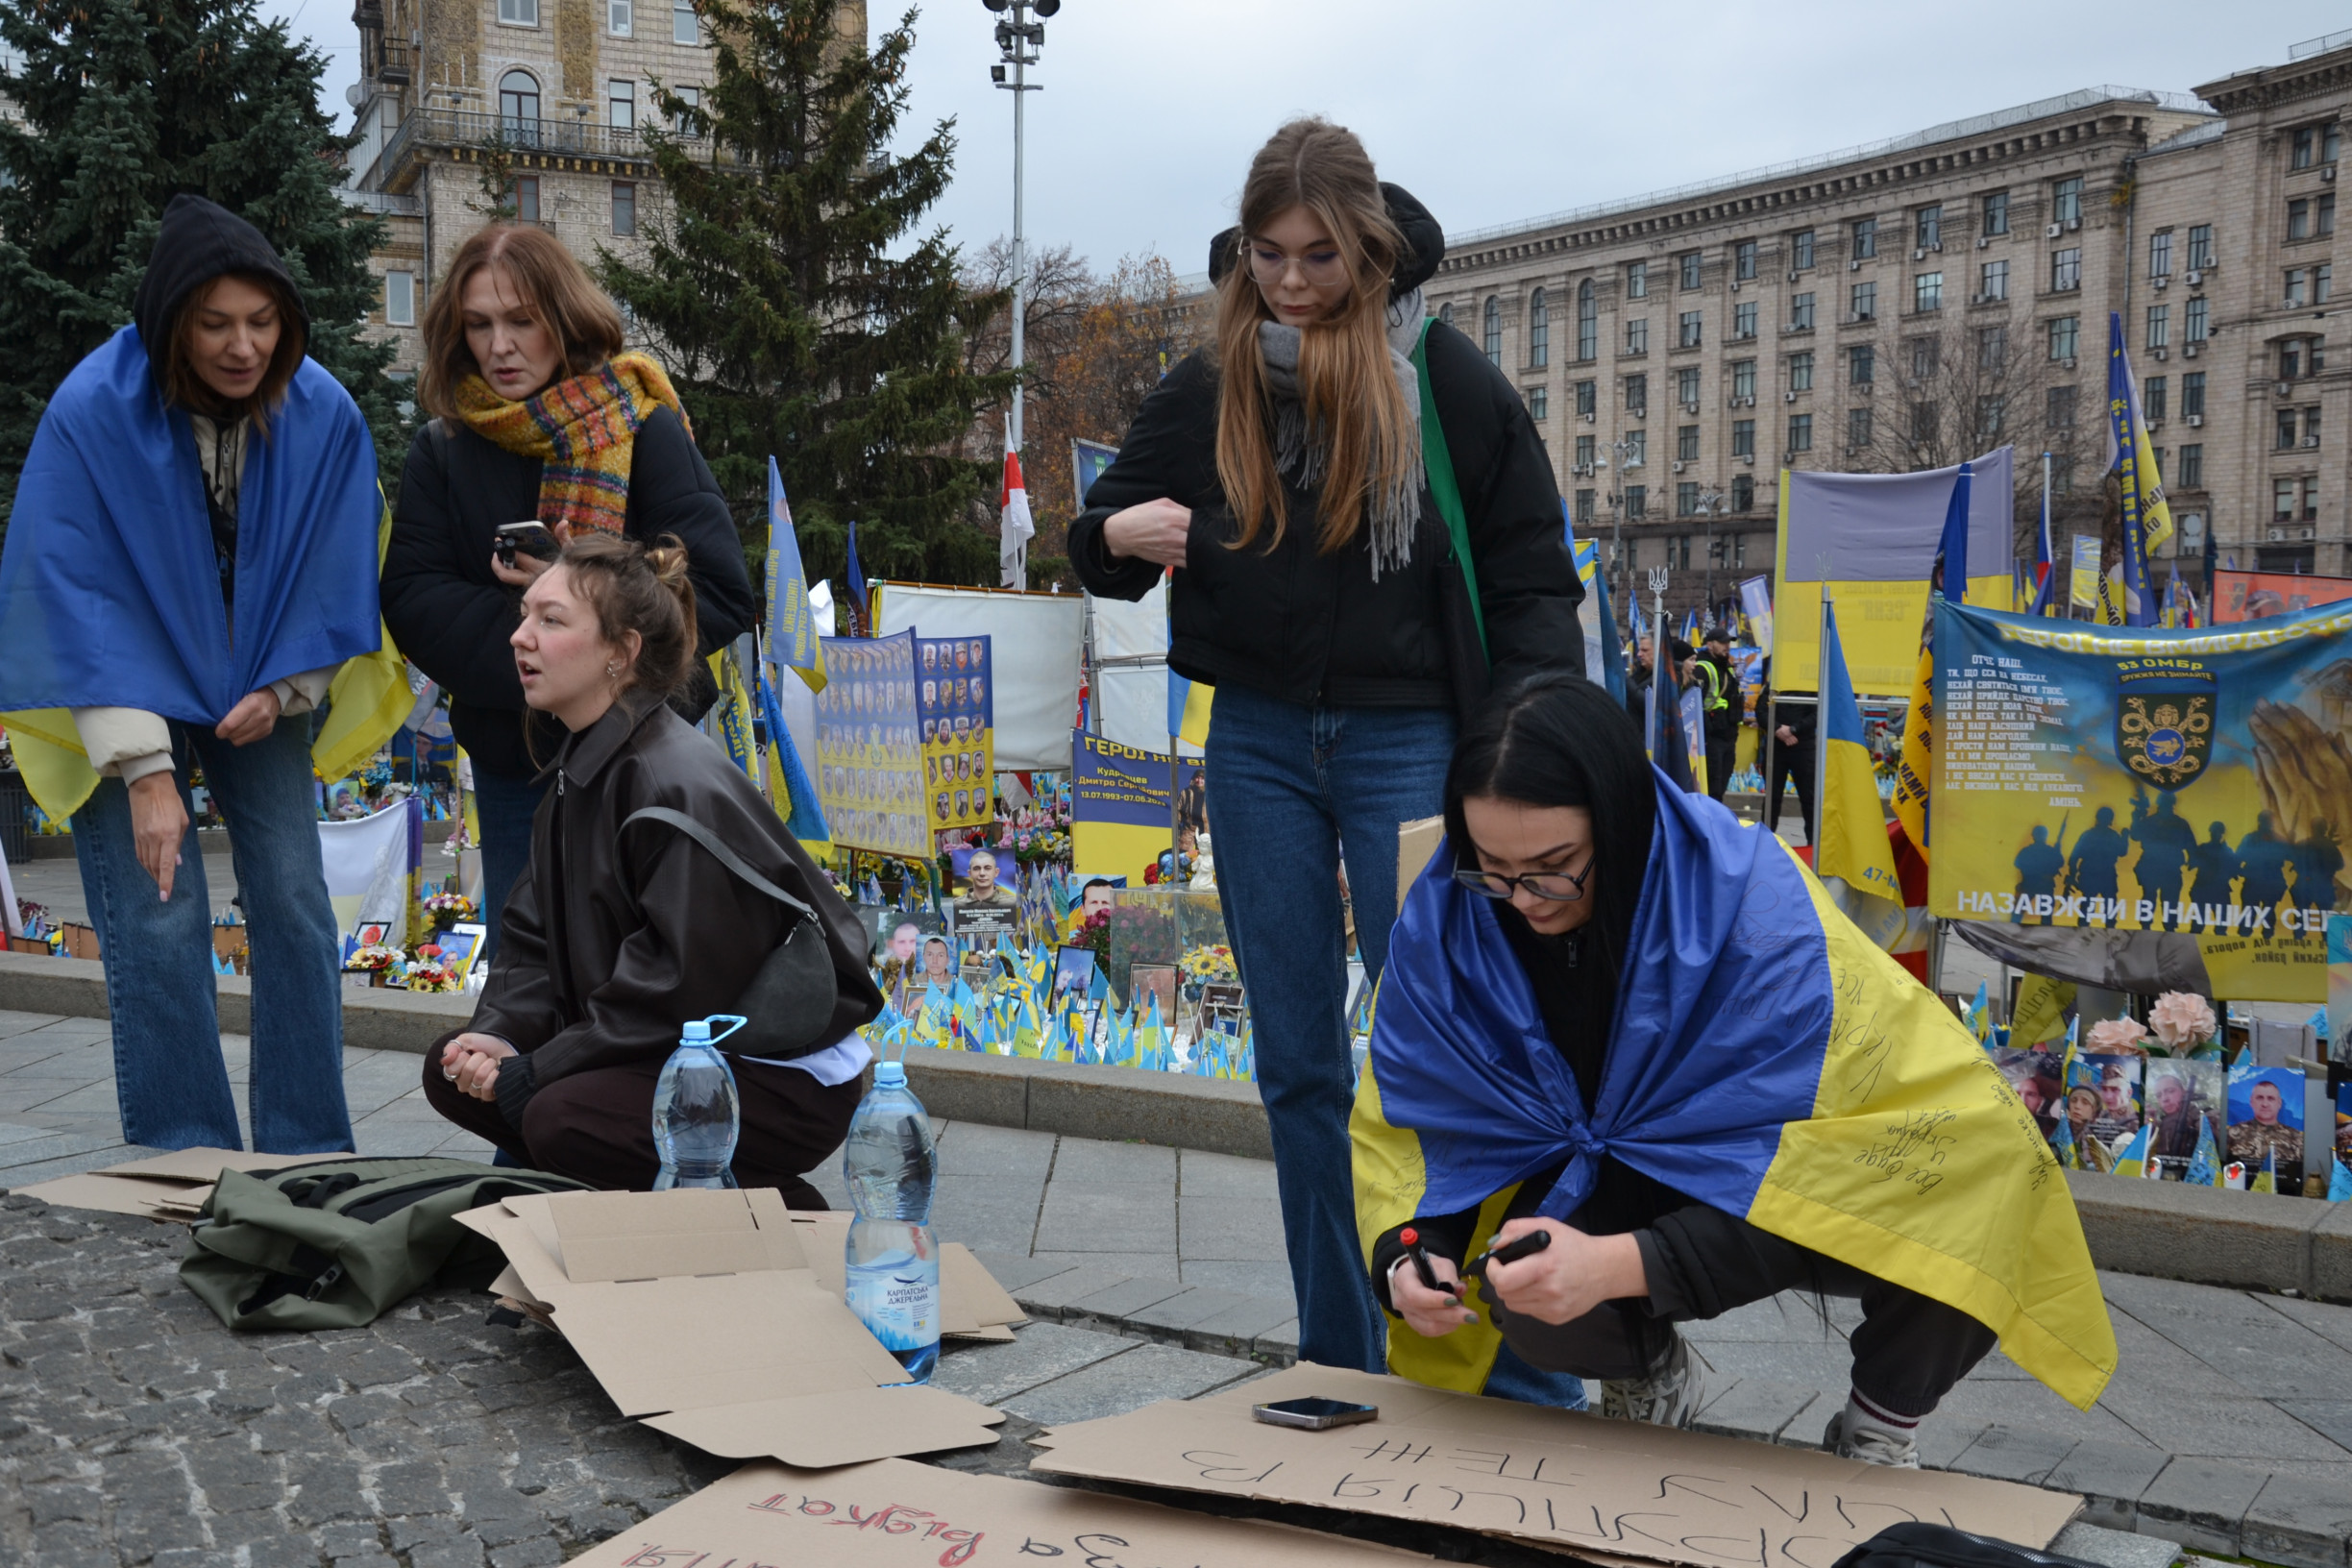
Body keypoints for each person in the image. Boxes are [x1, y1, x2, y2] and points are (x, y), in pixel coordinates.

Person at [1069, 119, 1586, 1373]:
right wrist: (1118, 534)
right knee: (1299, 1065)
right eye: (1267, 256)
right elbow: (1095, 542)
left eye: (1318, 257)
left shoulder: (1446, 382)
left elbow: (1531, 578)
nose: (1291, 283)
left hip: (1408, 744)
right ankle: (1342, 1356)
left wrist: (1531, 743)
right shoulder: (1212, 384)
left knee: (1452, 1050)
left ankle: (1509, 1356)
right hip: (1251, 743)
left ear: (1370, 250)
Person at [1354, 674, 2113, 1462]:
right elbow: (1430, 1122)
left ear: (1620, 824)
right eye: (1493, 868)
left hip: (1772, 1189)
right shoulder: (1452, 912)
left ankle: (1882, 1420)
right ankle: (1646, 1371)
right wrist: (1412, 1251)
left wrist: (1618, 1264)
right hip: (1596, 1191)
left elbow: (1875, 1139)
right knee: (1526, 1281)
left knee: (1988, 1169)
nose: (1524, 902)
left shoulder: (1751, 899)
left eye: (1554, 865)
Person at [0, 195, 392, 1153]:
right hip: (122, 698)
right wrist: (147, 772)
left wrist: (289, 690)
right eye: (215, 323)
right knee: (157, 911)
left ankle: (307, 1152)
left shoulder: (323, 413)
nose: (242, 347)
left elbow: (337, 561)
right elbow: (75, 590)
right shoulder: (94, 412)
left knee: (296, 905)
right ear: (172, 322)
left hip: (266, 687)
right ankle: (184, 1155)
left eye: (262, 322)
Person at [424, 535, 882, 1198]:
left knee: (557, 1117)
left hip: (781, 1075)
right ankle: (648, 1195)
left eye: (551, 621)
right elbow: (531, 942)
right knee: (457, 1070)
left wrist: (544, 1067)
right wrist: (499, 1036)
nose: (521, 638)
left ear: (622, 651)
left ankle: (770, 1203)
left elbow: (676, 986)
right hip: (677, 1043)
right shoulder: (583, 766)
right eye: (524, 616)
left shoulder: (669, 782)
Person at [382, 223, 755, 962]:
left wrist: (578, 597)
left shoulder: (641, 425)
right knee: (533, 973)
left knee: (658, 965)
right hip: (514, 759)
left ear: (563, 318)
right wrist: (544, 638)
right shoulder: (443, 447)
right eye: (480, 324)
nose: (500, 346)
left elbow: (716, 589)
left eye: (522, 321)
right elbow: (416, 602)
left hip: (646, 754)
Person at [1758, 656, 1816, 844]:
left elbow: (1817, 714)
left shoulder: (1811, 686)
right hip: (1777, 748)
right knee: (1772, 799)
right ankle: (1766, 840)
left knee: (1809, 798)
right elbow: (1761, 711)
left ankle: (1813, 842)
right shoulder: (1774, 685)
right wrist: (1777, 729)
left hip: (1803, 747)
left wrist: (1793, 729)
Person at [2228, 1077, 2303, 1187]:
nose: (2265, 1104)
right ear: (2251, 1102)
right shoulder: (2234, 1133)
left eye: (2271, 1098)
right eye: (2259, 1098)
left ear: (2279, 1103)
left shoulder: (2296, 1138)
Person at [1693, 628, 1739, 804]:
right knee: (1713, 787)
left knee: (1721, 786)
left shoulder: (1725, 666)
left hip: (1728, 735)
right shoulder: (1703, 667)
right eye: (1722, 643)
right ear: (1710, 644)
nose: (1727, 646)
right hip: (1712, 738)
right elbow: (1696, 703)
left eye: (1728, 642)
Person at [2067, 806, 2129, 927]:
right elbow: (2122, 851)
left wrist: (2073, 874)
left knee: (2096, 909)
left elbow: (2074, 857)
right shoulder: (2110, 835)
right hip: (2101, 875)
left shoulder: (2089, 835)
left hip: (2097, 875)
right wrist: (2125, 837)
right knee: (2099, 909)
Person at [2012, 826, 2064, 924]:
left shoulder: (2026, 851)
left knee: (2017, 914)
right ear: (2045, 836)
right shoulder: (2050, 851)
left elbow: (2017, 863)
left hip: (2029, 884)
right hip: (2044, 885)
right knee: (2046, 916)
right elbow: (2060, 862)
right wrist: (2057, 850)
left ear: (2033, 836)